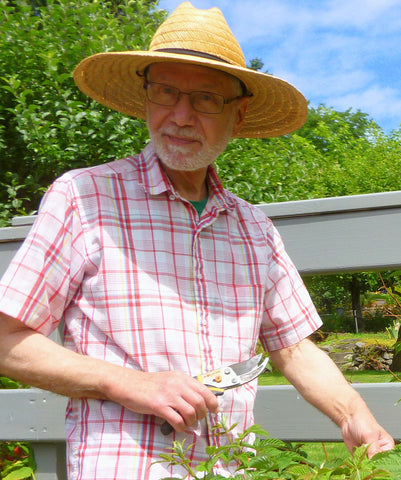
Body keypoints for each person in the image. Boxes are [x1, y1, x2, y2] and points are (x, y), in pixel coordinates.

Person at [0, 2, 394, 479]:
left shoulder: (253, 229)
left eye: (205, 99)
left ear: (240, 115)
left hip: (233, 470)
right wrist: (125, 383)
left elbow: (292, 347)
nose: (180, 116)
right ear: (146, 99)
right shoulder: (85, 198)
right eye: (166, 92)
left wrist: (354, 414)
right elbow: (8, 339)